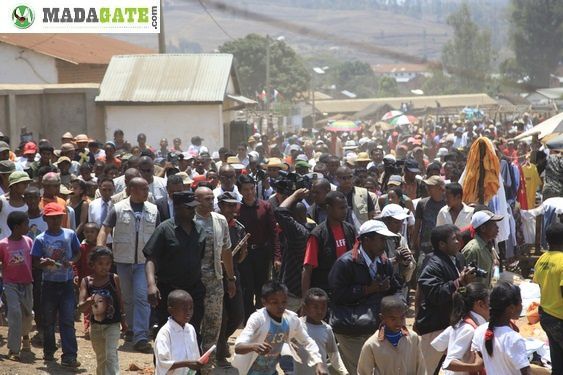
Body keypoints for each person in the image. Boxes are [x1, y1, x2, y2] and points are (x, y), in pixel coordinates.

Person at [328, 219, 401, 374]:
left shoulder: (384, 263)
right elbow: (336, 295)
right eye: (381, 239)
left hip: (373, 327)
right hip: (350, 329)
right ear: (367, 240)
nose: (384, 243)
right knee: (363, 371)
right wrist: (367, 290)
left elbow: (395, 289)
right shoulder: (345, 263)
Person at [97, 177, 159, 352]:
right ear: (131, 189)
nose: (147, 192)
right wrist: (100, 250)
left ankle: (141, 336)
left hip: (144, 262)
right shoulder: (118, 208)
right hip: (122, 261)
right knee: (127, 297)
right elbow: (105, 229)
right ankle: (131, 329)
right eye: (143, 189)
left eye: (147, 189)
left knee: (142, 296)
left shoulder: (154, 210)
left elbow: (159, 234)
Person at [415, 224, 476, 375]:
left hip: (452, 324)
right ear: (442, 244)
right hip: (434, 326)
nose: (458, 242)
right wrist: (459, 282)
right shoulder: (432, 263)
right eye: (454, 239)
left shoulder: (458, 257)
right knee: (426, 370)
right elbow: (435, 294)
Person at [232, 281, 328, 375]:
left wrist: (319, 363)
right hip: (249, 371)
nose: (281, 306)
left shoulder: (291, 319)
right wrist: (254, 346)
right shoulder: (257, 318)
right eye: (275, 302)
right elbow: (238, 347)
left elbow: (307, 342)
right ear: (264, 302)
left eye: (284, 302)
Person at [144, 191, 206, 337]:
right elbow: (151, 259)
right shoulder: (164, 229)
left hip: (194, 290)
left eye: (194, 207)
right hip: (169, 291)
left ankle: (191, 360)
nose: (193, 211)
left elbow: (200, 258)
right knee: (166, 332)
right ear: (177, 207)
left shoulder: (199, 230)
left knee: (193, 331)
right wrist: (151, 285)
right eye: (189, 207)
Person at [31, 202, 81, 367]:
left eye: (59, 217)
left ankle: (70, 355)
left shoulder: (69, 234)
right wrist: (44, 263)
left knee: (67, 320)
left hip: (66, 283)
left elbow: (77, 252)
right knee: (49, 320)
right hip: (49, 285)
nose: (56, 220)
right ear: (45, 219)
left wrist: (71, 262)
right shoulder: (40, 239)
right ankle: (49, 351)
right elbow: (36, 261)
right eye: (52, 218)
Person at [194, 186, 236, 373]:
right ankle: (193, 361)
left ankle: (207, 365)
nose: (211, 202)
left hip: (215, 281)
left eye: (212, 198)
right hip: (194, 282)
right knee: (194, 323)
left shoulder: (220, 221)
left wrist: (231, 278)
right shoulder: (190, 220)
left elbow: (226, 251)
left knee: (213, 323)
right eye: (206, 199)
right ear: (196, 200)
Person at [236, 174, 281, 321]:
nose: (249, 192)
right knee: (247, 287)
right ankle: (249, 319)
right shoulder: (237, 209)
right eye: (245, 190)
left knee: (261, 287)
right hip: (245, 255)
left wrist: (276, 257)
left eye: (251, 189)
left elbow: (274, 233)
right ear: (240, 191)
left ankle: (263, 318)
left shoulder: (265, 206)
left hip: (262, 253)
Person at [78, 247, 127, 375]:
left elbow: (119, 299)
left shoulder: (113, 278)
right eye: (100, 264)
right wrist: (89, 301)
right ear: (92, 264)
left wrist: (123, 319)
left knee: (111, 355)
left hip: (113, 324)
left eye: (108, 264)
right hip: (96, 326)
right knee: (101, 357)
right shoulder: (86, 282)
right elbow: (81, 307)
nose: (104, 267)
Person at [302, 191, 356, 297]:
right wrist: (305, 299)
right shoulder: (318, 235)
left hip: (346, 290)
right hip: (325, 292)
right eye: (341, 208)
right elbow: (307, 269)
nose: (344, 211)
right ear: (328, 208)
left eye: (346, 207)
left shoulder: (350, 229)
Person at [471, 282, 531, 375]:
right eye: (520, 303)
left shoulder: (480, 331)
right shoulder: (513, 339)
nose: (522, 306)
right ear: (511, 308)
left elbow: (478, 362)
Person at [357, 296, 426, 375]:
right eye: (393, 319)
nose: (399, 322)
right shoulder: (372, 344)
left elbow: (421, 366)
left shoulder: (413, 338)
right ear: (382, 317)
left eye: (402, 317)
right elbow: (363, 372)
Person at [216, 191, 247, 365]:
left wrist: (243, 252)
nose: (232, 209)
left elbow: (241, 259)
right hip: (216, 275)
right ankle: (219, 349)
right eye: (228, 205)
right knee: (221, 315)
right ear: (220, 206)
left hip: (233, 275)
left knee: (237, 314)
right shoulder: (213, 224)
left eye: (234, 205)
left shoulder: (239, 228)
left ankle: (221, 341)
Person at [431, 282, 489, 374]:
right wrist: (475, 366)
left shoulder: (462, 322)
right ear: (481, 304)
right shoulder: (468, 329)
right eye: (489, 301)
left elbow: (439, 345)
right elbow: (449, 363)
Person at [0, 211, 34, 360]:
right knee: (14, 314)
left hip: (27, 283)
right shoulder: (3, 244)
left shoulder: (28, 241)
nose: (28, 226)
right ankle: (14, 349)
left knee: (27, 315)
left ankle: (25, 336)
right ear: (16, 226)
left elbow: (34, 259)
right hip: (10, 284)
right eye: (26, 224)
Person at [292, 288, 348, 375]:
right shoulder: (296, 325)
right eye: (315, 307)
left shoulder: (327, 329)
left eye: (323, 307)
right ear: (305, 307)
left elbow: (334, 356)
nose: (320, 311)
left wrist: (344, 372)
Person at [533, 222, 563, 374]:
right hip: (559, 318)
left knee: (557, 357)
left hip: (546, 316)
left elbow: (540, 286)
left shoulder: (541, 259)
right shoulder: (562, 261)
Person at [275, 188, 312, 312]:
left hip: (293, 291)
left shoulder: (298, 232)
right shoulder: (312, 228)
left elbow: (280, 212)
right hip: (301, 289)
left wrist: (295, 195)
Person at [154, 290, 204, 375]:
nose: (188, 312)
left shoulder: (190, 329)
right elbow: (162, 363)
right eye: (184, 309)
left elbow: (195, 357)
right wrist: (186, 364)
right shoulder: (165, 333)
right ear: (171, 310)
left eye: (191, 308)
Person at [378, 203, 416, 300]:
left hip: (397, 286)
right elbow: (376, 266)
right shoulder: (376, 240)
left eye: (401, 222)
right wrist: (395, 260)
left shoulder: (400, 239)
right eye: (396, 222)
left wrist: (406, 262)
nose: (400, 226)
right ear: (385, 221)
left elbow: (409, 270)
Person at [412, 175, 445, 271]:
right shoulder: (422, 203)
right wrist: (414, 246)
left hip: (443, 246)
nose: (428, 189)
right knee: (421, 269)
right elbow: (417, 226)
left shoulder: (447, 203)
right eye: (427, 186)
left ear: (440, 188)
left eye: (431, 186)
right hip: (425, 246)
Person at [461, 210, 503, 287]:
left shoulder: (487, 246)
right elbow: (466, 280)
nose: (497, 227)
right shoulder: (473, 249)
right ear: (483, 228)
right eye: (494, 225)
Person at [74, 222, 100, 338]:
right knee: (87, 304)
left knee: (97, 302)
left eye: (92, 232)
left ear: (97, 233)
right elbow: (76, 263)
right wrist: (76, 275)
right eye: (87, 232)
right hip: (85, 281)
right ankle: (87, 327)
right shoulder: (82, 247)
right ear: (83, 233)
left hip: (98, 280)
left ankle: (96, 326)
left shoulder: (100, 248)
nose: (89, 234)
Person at [336, 166, 375, 231]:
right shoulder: (333, 195)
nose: (347, 180)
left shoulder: (363, 193)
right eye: (344, 178)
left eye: (350, 177)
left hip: (361, 234)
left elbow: (371, 215)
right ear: (337, 178)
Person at [0, 171, 31, 240]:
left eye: (27, 183)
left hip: (23, 244)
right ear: (14, 185)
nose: (26, 186)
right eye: (23, 183)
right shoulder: (2, 201)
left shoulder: (28, 201)